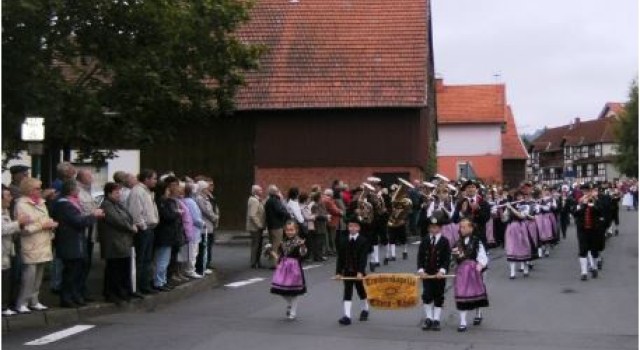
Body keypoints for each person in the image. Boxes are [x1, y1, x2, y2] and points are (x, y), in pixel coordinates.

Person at [51, 180, 104, 307]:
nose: (79, 192)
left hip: (77, 242)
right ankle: (67, 298)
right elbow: (78, 221)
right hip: (70, 242)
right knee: (70, 272)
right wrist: (93, 216)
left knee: (77, 271)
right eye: (77, 189)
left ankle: (75, 295)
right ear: (71, 190)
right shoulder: (65, 204)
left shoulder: (71, 203)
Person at [14, 178, 58, 313]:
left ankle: (34, 300)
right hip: (31, 243)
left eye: (40, 188)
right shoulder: (21, 204)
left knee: (39, 275)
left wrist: (51, 225)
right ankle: (22, 302)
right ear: (29, 189)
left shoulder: (41, 203)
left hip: (44, 242)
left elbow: (45, 220)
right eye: (37, 188)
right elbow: (24, 228)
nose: (40, 191)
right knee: (29, 276)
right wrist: (42, 225)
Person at [98, 182, 141, 304]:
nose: (119, 194)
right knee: (114, 269)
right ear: (109, 193)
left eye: (120, 192)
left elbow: (128, 217)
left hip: (122, 242)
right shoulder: (107, 205)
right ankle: (112, 293)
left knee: (122, 268)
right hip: (113, 242)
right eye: (116, 192)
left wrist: (131, 224)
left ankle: (123, 292)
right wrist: (130, 227)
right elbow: (118, 221)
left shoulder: (118, 204)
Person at [452, 218, 489, 332]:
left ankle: (478, 312)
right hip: (462, 272)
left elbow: (482, 255)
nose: (461, 229)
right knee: (461, 293)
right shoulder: (457, 242)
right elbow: (453, 257)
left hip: (474, 271)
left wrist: (481, 265)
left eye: (464, 227)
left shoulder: (477, 241)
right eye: (460, 227)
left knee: (475, 292)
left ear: (471, 228)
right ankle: (463, 321)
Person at [417, 212, 451, 331]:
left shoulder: (445, 241)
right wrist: (421, 270)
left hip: (439, 275)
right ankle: (429, 318)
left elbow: (447, 259)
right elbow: (420, 257)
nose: (433, 229)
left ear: (440, 228)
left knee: (438, 296)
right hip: (427, 274)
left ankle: (436, 319)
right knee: (426, 295)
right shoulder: (425, 240)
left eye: (435, 227)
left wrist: (442, 271)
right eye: (431, 227)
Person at [127, 169, 159, 295]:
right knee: (140, 259)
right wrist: (143, 226)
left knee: (147, 259)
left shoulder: (147, 192)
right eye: (154, 178)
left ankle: (145, 285)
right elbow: (135, 212)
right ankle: (137, 286)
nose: (155, 181)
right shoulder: (138, 192)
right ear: (146, 179)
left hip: (150, 229)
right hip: (143, 230)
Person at [268, 220, 308, 320]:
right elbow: (281, 256)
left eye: (292, 230)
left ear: (296, 230)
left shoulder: (299, 242)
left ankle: (293, 311)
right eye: (287, 230)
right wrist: (275, 257)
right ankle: (290, 304)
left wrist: (302, 246)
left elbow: (303, 254)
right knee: (280, 290)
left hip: (295, 269)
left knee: (294, 291)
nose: (289, 232)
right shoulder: (283, 242)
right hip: (284, 268)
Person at [335, 216, 370, 326]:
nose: (352, 228)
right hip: (347, 271)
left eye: (355, 226)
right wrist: (338, 272)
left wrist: (360, 271)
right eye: (350, 226)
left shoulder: (363, 241)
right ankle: (347, 316)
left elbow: (363, 258)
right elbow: (340, 258)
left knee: (361, 291)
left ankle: (365, 309)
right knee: (347, 291)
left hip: (358, 271)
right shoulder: (343, 240)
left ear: (359, 228)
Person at [153, 176, 184, 292]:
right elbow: (167, 216)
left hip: (168, 235)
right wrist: (177, 213)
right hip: (163, 235)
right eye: (166, 190)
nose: (168, 192)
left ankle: (163, 280)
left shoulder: (165, 202)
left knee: (165, 260)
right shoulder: (161, 202)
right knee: (162, 260)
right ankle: (159, 282)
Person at [2, 185, 30, 316]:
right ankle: (3, 307)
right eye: (7, 196)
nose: (11, 198)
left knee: (7, 280)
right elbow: (3, 229)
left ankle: (5, 305)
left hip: (6, 252)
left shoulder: (5, 211)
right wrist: (18, 223)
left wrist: (20, 225)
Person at [573, 183, 605, 281]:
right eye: (584, 191)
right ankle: (584, 272)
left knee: (594, 250)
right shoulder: (579, 201)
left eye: (588, 191)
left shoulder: (596, 201)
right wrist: (582, 205)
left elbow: (601, 212)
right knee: (583, 250)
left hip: (594, 229)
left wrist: (592, 206)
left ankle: (594, 267)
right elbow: (575, 213)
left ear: (591, 191)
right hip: (582, 229)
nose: (586, 193)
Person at [503, 192, 534, 279]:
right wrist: (504, 210)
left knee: (523, 248)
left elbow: (521, 216)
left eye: (520, 196)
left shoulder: (525, 206)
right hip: (511, 228)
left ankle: (525, 269)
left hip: (521, 228)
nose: (519, 198)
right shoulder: (511, 205)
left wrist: (511, 208)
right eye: (517, 197)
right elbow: (504, 219)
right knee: (511, 249)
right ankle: (512, 273)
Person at [452, 180, 490, 248]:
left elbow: (486, 219)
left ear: (476, 189)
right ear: (465, 190)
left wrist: (478, 210)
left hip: (479, 235)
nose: (471, 189)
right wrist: (461, 212)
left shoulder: (483, 202)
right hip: (464, 236)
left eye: (473, 187)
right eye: (468, 187)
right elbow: (454, 220)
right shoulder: (461, 202)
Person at [195, 180, 218, 274]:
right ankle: (202, 267)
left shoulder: (206, 198)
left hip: (209, 225)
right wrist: (214, 217)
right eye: (205, 188)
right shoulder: (200, 198)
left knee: (207, 246)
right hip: (205, 225)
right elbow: (207, 211)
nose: (207, 189)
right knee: (204, 247)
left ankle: (206, 265)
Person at [264, 185, 290, 267]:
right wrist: (286, 214)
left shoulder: (269, 201)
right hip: (277, 225)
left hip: (271, 225)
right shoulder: (275, 201)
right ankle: (274, 264)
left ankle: (272, 261)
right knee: (276, 245)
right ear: (276, 192)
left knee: (273, 244)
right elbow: (280, 211)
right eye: (278, 191)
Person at [246, 185, 266, 269]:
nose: (262, 191)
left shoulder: (258, 200)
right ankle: (253, 262)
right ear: (256, 191)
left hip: (258, 227)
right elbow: (252, 215)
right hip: (255, 228)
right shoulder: (254, 200)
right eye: (260, 190)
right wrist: (259, 225)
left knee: (259, 244)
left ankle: (257, 261)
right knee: (256, 245)